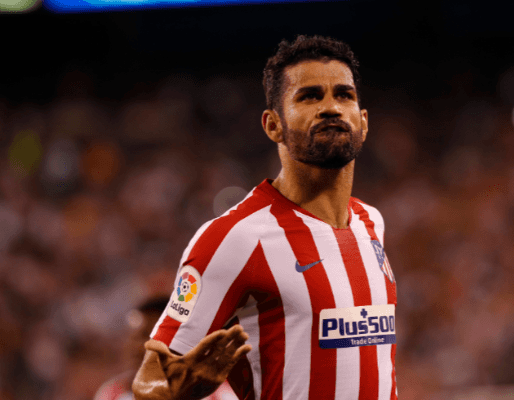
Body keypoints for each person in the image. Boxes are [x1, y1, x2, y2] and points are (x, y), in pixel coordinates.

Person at [133, 34, 397, 400]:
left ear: (363, 122)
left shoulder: (371, 222)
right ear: (273, 125)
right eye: (309, 96)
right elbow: (148, 380)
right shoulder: (236, 237)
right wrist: (176, 389)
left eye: (344, 95)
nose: (331, 108)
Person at [94, 296, 236, 400]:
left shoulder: (217, 395)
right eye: (130, 337)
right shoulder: (111, 394)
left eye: (145, 336)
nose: (133, 346)